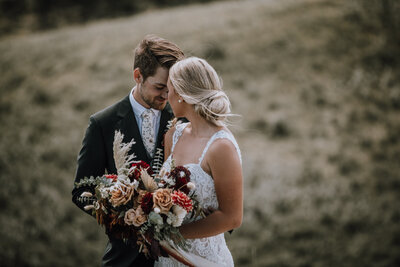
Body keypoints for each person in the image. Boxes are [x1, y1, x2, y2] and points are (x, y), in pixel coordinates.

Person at [72, 35, 184, 267]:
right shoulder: (103, 123)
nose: (166, 96)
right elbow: (81, 190)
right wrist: (121, 216)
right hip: (126, 258)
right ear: (138, 76)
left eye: (172, 88)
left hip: (178, 255)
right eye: (160, 87)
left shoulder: (182, 119)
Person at [155, 57, 243, 266]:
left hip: (203, 259)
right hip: (167, 259)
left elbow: (232, 218)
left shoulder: (221, 147)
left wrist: (172, 235)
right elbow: (161, 190)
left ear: (182, 95)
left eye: (169, 90)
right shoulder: (173, 135)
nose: (167, 97)